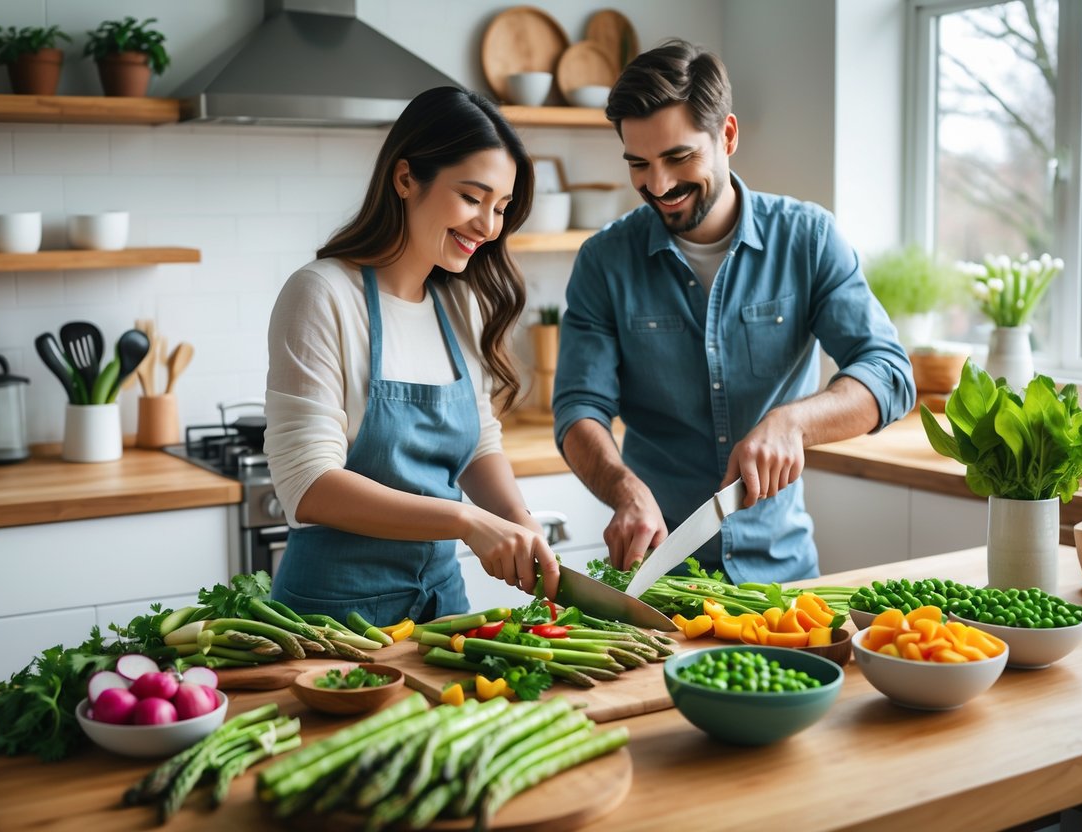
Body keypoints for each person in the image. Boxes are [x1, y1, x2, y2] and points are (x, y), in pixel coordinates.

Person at [552, 40, 915, 585]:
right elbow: (579, 408)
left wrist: (793, 422)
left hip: (784, 576)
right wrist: (625, 490)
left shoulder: (808, 239)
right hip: (661, 578)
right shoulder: (605, 261)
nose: (659, 185)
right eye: (639, 164)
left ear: (727, 135)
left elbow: (888, 372)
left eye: (679, 157)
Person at [265, 86, 560, 625]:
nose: (489, 226)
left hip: (443, 611)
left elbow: (477, 443)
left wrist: (520, 524)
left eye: (501, 207)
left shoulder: (462, 301)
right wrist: (467, 522)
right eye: (473, 198)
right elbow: (308, 485)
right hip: (333, 621)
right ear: (405, 179)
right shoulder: (321, 294)